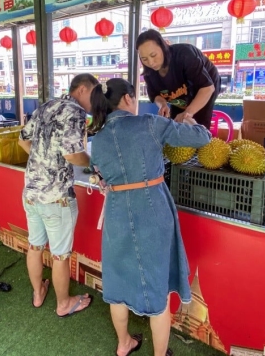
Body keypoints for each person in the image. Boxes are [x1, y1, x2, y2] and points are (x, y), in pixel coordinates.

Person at [89, 78, 211, 356]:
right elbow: (202, 138)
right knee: (158, 288)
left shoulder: (98, 138)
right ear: (129, 99)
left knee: (117, 282)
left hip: (117, 210)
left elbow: (99, 174)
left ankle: (124, 344)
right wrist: (190, 119)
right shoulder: (149, 123)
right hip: (151, 208)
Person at [17, 73, 98, 317]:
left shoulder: (47, 106)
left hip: (31, 192)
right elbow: (73, 154)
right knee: (60, 256)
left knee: (35, 245)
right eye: (94, 93)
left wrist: (43, 161)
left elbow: (22, 140)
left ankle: (38, 293)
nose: (96, 100)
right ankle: (64, 304)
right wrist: (94, 164)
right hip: (56, 198)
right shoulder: (75, 111)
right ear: (83, 89)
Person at [137, 29, 220, 129]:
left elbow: (207, 88)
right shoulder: (149, 72)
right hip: (179, 96)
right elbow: (155, 95)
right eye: (144, 59)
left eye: (153, 55)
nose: (150, 62)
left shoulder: (185, 54)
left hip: (204, 87)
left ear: (164, 46)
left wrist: (188, 112)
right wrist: (163, 104)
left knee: (197, 125)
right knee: (175, 124)